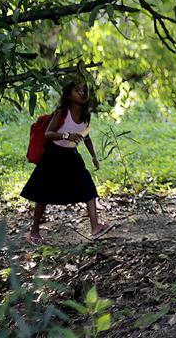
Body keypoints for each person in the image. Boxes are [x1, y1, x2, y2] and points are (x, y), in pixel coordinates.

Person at [21, 80, 111, 245]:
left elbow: (86, 136)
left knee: (88, 187)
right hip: (53, 155)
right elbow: (48, 133)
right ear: (69, 95)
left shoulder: (86, 115)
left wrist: (94, 156)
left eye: (84, 90)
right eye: (77, 90)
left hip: (71, 155)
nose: (82, 93)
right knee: (43, 194)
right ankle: (34, 230)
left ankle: (95, 227)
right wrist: (66, 135)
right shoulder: (62, 112)